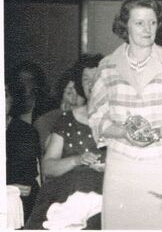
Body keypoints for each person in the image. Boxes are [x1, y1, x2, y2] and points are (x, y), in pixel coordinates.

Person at [88, 0, 162, 230]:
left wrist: (156, 133)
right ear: (125, 25)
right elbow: (97, 116)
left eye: (153, 22)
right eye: (139, 23)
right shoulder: (107, 65)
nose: (147, 29)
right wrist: (122, 132)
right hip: (122, 167)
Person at [25, 54, 105, 230]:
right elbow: (47, 167)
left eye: (97, 77)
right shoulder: (67, 119)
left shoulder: (120, 119)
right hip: (65, 192)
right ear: (80, 84)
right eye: (86, 79)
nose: (91, 84)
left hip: (107, 193)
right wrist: (77, 160)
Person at [6, 76, 41, 224]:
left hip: (17, 201)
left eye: (5, 94)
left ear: (12, 99)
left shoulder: (24, 132)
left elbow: (25, 185)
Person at [34, 67, 85, 155]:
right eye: (69, 93)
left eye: (78, 93)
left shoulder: (92, 118)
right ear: (61, 95)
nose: (74, 99)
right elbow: (49, 152)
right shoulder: (45, 121)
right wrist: (66, 117)